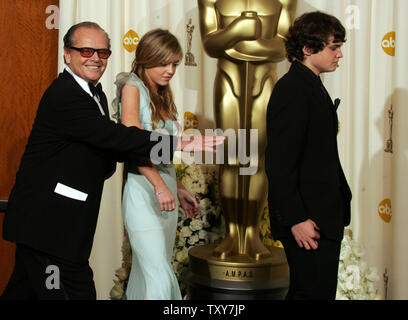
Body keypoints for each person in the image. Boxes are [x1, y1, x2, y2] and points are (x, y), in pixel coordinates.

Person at [1, 22, 223, 300]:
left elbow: (110, 145)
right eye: (86, 50)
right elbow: (115, 136)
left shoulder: (96, 94)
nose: (95, 57)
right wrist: (179, 143)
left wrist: (173, 181)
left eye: (102, 52)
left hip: (55, 227)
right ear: (67, 55)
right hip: (50, 228)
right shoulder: (65, 94)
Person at [197, 0, 297, 260]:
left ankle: (251, 233)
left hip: (264, 83)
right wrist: (238, 30)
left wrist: (237, 45)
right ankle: (232, 232)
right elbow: (210, 43)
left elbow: (284, 45)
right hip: (228, 82)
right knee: (231, 158)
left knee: (256, 161)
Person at [265, 11, 352, 300]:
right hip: (307, 222)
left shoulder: (311, 85)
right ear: (307, 49)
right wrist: (296, 219)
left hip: (321, 218)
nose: (339, 54)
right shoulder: (292, 89)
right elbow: (279, 163)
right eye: (333, 47)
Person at [112, 29, 199, 300]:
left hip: (165, 191)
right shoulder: (131, 87)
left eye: (174, 63)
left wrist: (178, 187)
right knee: (158, 275)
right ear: (146, 58)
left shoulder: (161, 94)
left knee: (146, 275)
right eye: (163, 62)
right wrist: (161, 185)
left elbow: (161, 153)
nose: (170, 70)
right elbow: (133, 143)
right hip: (143, 191)